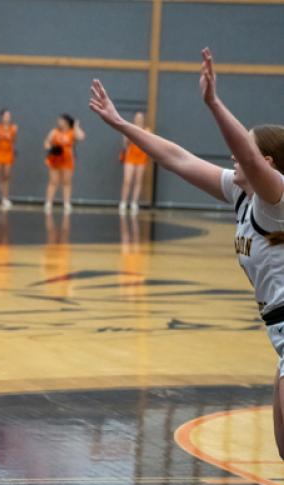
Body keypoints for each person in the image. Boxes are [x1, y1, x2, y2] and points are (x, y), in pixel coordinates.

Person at [89, 48, 284, 461]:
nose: (234, 157)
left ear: (267, 163)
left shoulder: (275, 199)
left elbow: (245, 154)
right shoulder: (242, 193)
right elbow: (178, 158)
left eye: (245, 150)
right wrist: (123, 125)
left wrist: (214, 103)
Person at [44, 114, 85, 214]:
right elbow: (46, 142)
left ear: (66, 122)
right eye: (59, 120)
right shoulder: (54, 132)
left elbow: (81, 137)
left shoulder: (72, 132)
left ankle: (66, 203)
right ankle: (49, 202)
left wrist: (76, 127)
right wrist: (50, 148)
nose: (59, 122)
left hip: (67, 159)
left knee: (67, 182)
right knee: (53, 181)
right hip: (55, 159)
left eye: (61, 120)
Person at [119, 112, 150, 214]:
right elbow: (125, 143)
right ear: (134, 119)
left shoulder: (147, 130)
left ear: (143, 119)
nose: (139, 119)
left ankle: (134, 202)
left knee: (138, 180)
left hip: (141, 157)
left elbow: (149, 143)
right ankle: (123, 202)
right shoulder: (130, 128)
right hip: (130, 157)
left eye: (140, 117)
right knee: (127, 180)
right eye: (137, 117)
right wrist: (129, 135)